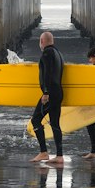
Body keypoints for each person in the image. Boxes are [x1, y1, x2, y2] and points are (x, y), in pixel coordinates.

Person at [29, 30, 65, 165]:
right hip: (58, 93)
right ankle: (59, 156)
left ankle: (43, 152)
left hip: (50, 93)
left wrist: (46, 92)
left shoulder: (47, 53)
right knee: (55, 123)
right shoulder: (58, 54)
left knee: (36, 120)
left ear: (42, 41)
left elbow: (48, 73)